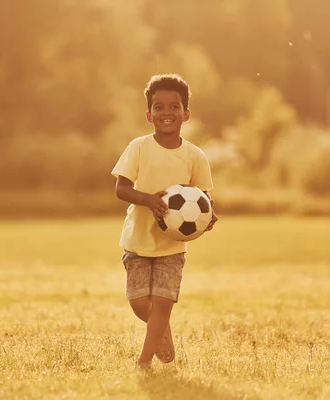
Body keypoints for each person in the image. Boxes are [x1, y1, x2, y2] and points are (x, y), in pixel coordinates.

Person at [111, 73, 218, 370]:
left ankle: (144, 361)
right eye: (159, 107)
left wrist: (209, 216)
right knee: (139, 303)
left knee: (163, 302)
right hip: (138, 241)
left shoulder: (195, 156)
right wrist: (148, 199)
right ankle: (162, 331)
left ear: (186, 114)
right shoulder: (139, 147)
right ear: (149, 114)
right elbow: (121, 188)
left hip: (173, 247)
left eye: (174, 107)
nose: (166, 113)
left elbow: (204, 199)